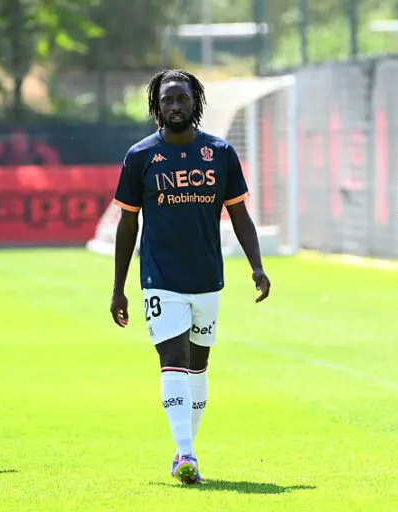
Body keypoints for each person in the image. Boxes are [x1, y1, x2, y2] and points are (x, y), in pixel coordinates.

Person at [109, 69, 271, 484]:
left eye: (182, 98)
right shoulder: (140, 156)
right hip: (160, 278)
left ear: (195, 102)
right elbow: (127, 225)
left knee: (199, 365)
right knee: (173, 360)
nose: (175, 106)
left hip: (207, 277)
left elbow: (239, 215)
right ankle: (186, 452)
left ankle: (185, 448)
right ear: (156, 106)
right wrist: (118, 288)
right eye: (167, 100)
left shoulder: (220, 153)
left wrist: (256, 265)